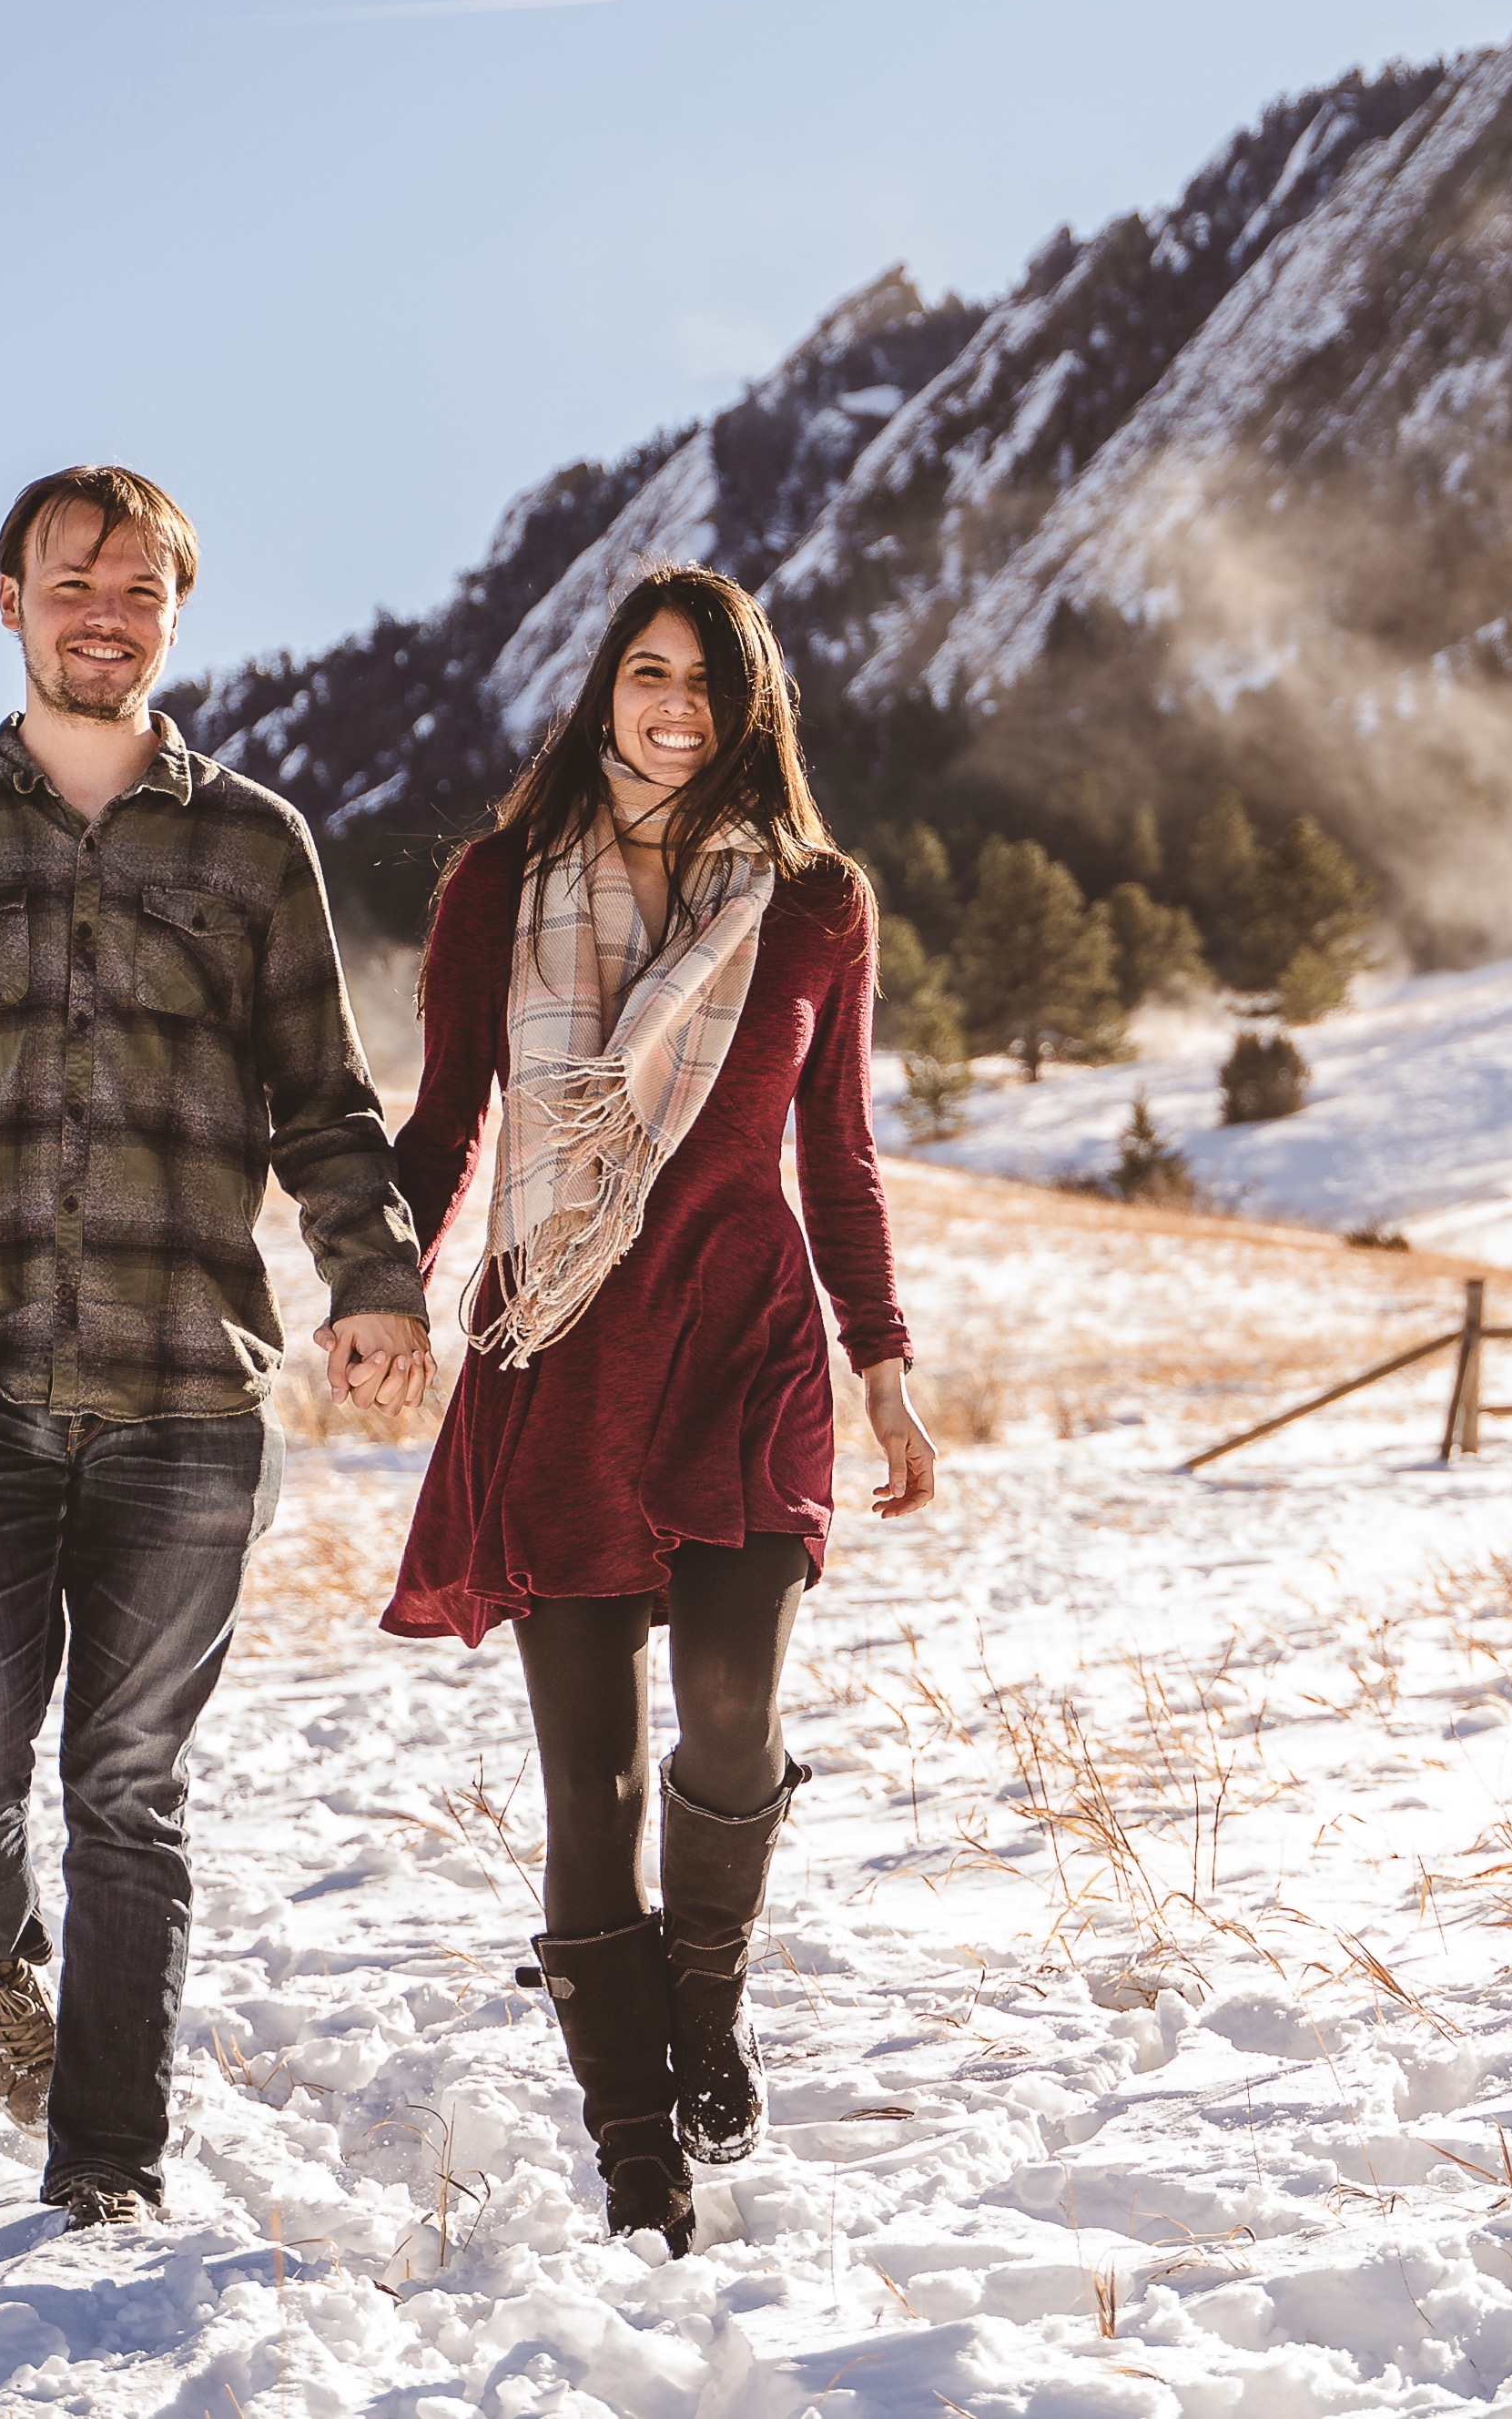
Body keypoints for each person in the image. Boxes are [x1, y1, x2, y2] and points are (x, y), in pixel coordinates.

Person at [0, 465, 436, 2227]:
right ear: (11, 601)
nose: (105, 616)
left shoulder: (254, 845)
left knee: (130, 1787)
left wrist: (373, 1279)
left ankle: (105, 2165)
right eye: (74, 583)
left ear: (175, 616)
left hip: (187, 1389)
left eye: (140, 591)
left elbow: (325, 1100)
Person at [381, 562, 934, 2255]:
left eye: (706, 680)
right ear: (603, 686)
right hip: (561, 1347)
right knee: (593, 1792)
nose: (674, 705)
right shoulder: (500, 883)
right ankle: (639, 2160)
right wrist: (383, 1283)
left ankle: (703, 2002)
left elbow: (839, 1151)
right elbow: (450, 1118)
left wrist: (885, 1368)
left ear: (748, 706)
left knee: (732, 1718)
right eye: (647, 671)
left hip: (744, 1344)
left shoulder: (813, 901)